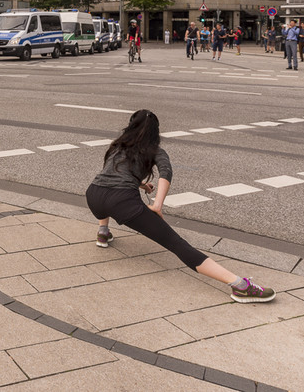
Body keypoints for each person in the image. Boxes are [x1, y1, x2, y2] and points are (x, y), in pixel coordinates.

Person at [85, 110, 276, 303]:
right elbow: (165, 173)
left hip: (93, 195)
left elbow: (111, 175)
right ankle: (240, 286)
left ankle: (103, 231)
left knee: (107, 200)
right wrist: (157, 204)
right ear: (156, 132)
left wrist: (141, 184)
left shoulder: (117, 146)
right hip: (122, 201)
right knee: (177, 244)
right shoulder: (155, 150)